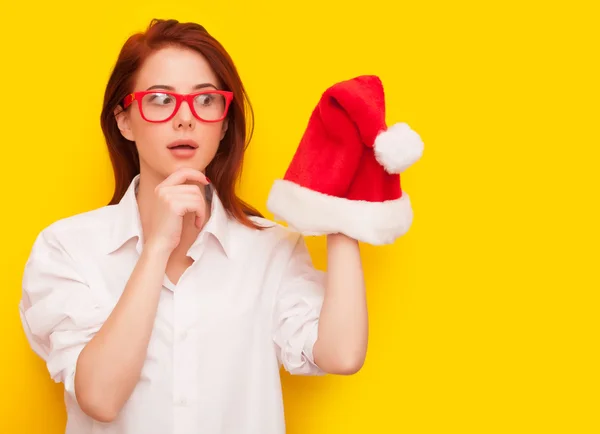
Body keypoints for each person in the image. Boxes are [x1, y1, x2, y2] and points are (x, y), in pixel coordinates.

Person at [18, 18, 368, 434]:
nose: (185, 119)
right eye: (161, 99)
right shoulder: (68, 248)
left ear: (223, 124)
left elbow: (341, 355)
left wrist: (344, 212)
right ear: (124, 120)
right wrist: (156, 249)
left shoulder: (270, 249)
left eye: (205, 101)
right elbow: (99, 397)